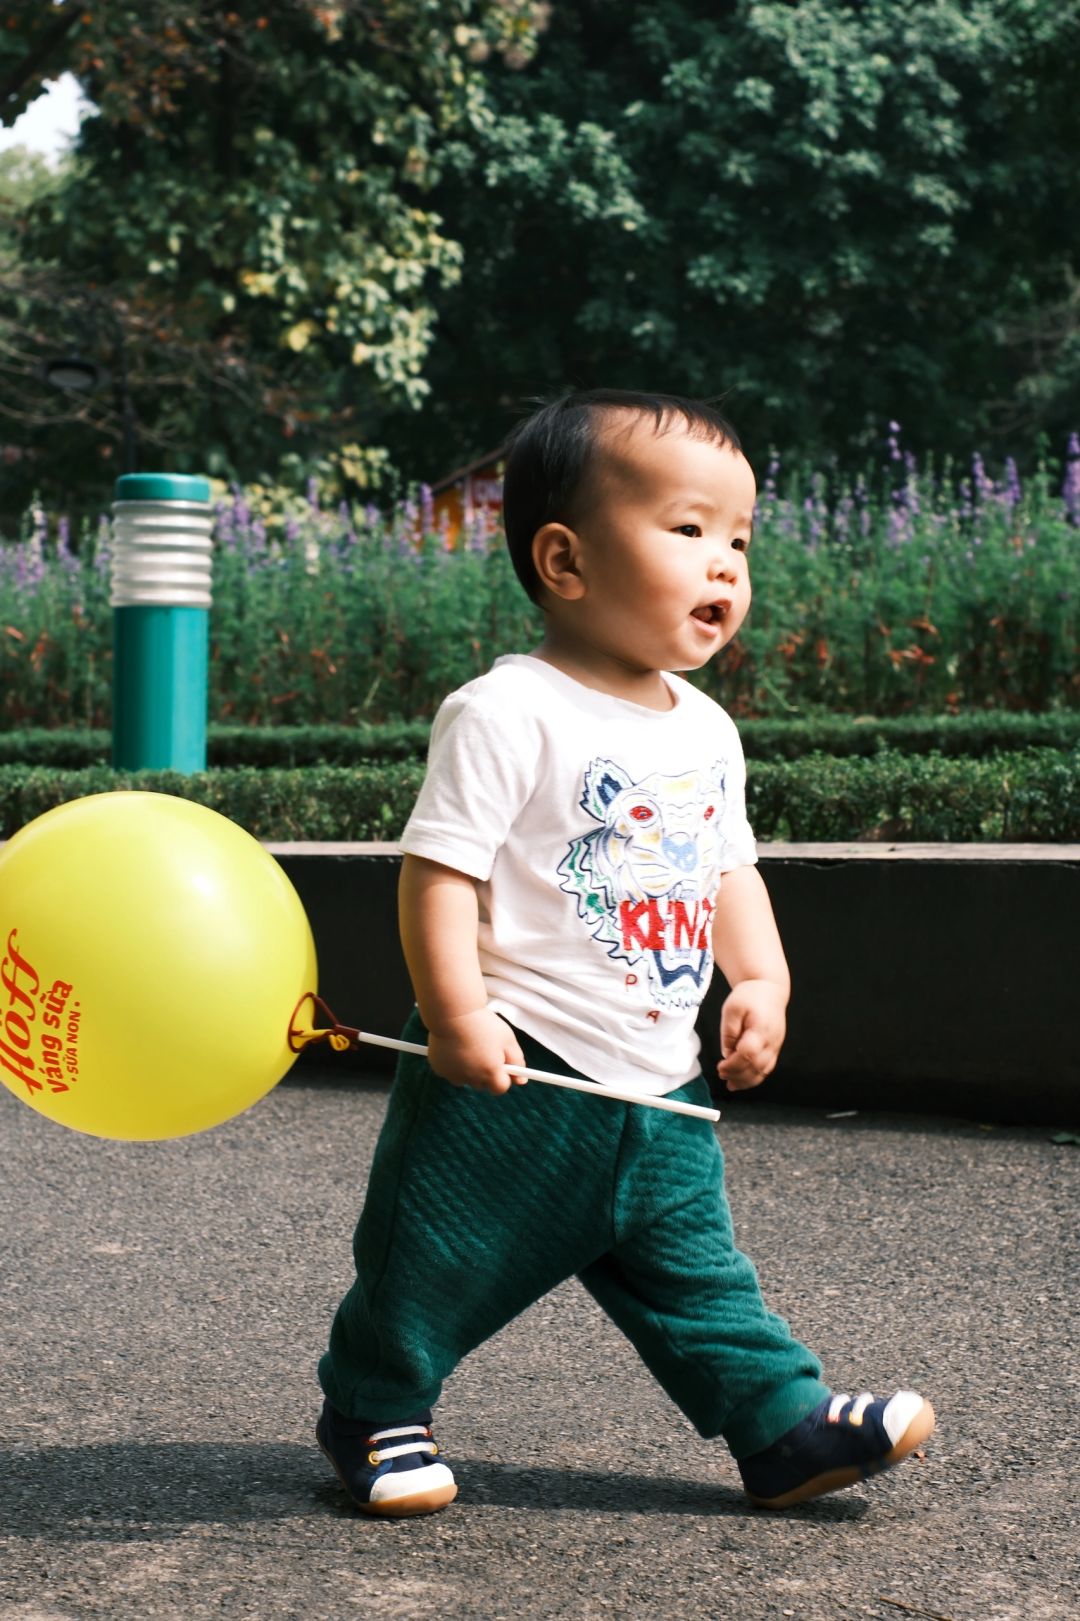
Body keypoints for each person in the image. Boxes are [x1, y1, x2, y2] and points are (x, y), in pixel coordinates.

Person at [315, 388, 935, 1517]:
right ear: (564, 558)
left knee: (699, 1275)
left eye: (741, 539)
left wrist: (762, 976)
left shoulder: (705, 729)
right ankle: (374, 1405)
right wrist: (455, 1015)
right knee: (432, 1259)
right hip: (518, 1067)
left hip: (659, 1075)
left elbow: (726, 868)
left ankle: (779, 1425)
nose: (726, 566)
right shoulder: (508, 712)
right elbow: (438, 873)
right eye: (689, 530)